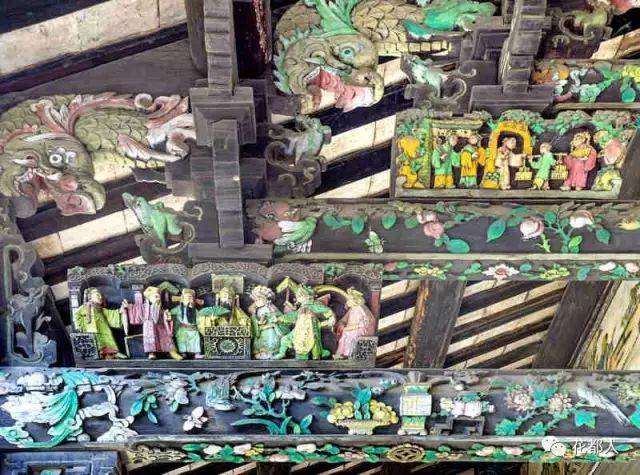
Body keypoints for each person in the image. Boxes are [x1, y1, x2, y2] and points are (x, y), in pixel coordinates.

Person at [276, 285, 335, 360]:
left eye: (300, 296)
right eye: (298, 296)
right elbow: (294, 315)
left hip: (311, 329)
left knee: (314, 343)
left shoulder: (313, 305)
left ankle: (318, 354)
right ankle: (282, 353)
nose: (298, 298)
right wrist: (281, 318)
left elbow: (327, 311)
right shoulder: (302, 307)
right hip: (299, 329)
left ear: (307, 296)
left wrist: (331, 318)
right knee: (285, 339)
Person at [123, 287, 182, 360]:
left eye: (158, 297)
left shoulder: (161, 308)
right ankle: (151, 352)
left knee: (166, 338)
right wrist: (129, 307)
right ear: (149, 298)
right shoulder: (144, 307)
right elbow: (136, 311)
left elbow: (165, 316)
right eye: (155, 296)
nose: (158, 299)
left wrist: (167, 317)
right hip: (149, 326)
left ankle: (172, 351)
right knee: (150, 338)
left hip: (161, 325)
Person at [73, 287, 127, 359]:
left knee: (107, 339)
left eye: (101, 295)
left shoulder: (100, 308)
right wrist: (80, 325)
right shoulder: (86, 307)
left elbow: (111, 314)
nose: (100, 297)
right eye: (97, 295)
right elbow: (76, 315)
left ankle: (112, 353)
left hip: (103, 328)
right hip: (92, 329)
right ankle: (100, 354)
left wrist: (121, 310)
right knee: (96, 342)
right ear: (91, 297)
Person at [334, 288, 376, 359]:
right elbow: (344, 319)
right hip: (350, 328)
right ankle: (341, 354)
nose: (349, 301)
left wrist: (359, 325)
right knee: (343, 335)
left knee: (349, 335)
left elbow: (368, 319)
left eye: (350, 299)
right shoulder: (352, 309)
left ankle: (349, 354)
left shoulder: (361, 308)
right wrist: (341, 323)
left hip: (358, 329)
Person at [249, 285, 289, 359]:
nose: (256, 302)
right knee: (259, 342)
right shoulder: (257, 308)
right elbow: (253, 315)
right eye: (256, 300)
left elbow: (278, 315)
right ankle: (261, 352)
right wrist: (257, 321)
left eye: (259, 299)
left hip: (270, 328)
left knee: (271, 340)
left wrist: (272, 317)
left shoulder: (270, 306)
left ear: (264, 299)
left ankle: (272, 353)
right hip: (261, 329)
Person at [169, 288, 203, 358]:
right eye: (187, 297)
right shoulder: (178, 309)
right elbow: (171, 313)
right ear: (183, 299)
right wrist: (168, 314)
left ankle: (196, 353)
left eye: (191, 297)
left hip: (193, 328)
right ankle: (183, 352)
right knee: (181, 339)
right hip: (182, 328)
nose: (189, 299)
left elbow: (199, 319)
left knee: (196, 339)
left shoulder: (195, 310)